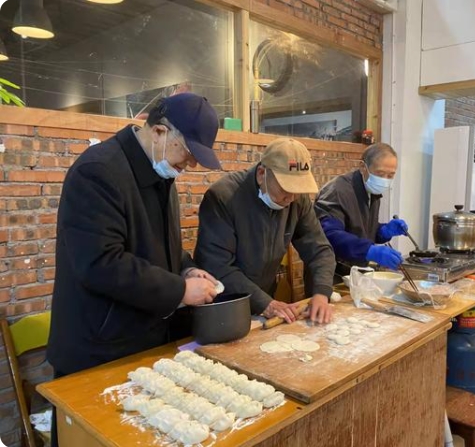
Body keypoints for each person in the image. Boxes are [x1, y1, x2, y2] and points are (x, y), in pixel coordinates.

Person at [48, 93, 223, 377]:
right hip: (100, 349)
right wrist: (180, 290)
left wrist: (187, 269)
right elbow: (101, 263)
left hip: (144, 339)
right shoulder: (98, 172)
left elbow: (160, 244)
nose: (190, 165)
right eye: (188, 154)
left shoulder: (161, 171)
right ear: (159, 132)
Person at [194, 138, 335, 324]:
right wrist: (265, 303)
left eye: (298, 191)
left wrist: (322, 292)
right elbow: (217, 266)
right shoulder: (223, 197)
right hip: (224, 306)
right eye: (286, 188)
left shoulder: (296, 201)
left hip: (264, 305)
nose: (291, 198)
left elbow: (320, 250)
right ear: (262, 174)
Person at [314, 142, 408, 279]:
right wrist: (369, 250)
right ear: (363, 167)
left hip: (356, 273)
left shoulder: (371, 191)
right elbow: (330, 235)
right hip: (330, 274)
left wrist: (383, 231)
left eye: (390, 175)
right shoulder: (338, 191)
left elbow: (361, 230)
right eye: (380, 173)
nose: (385, 180)